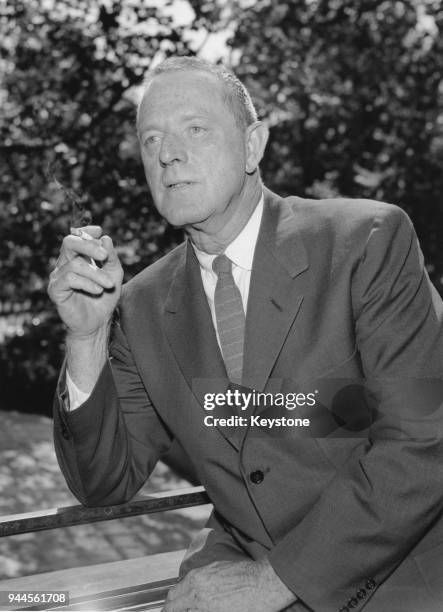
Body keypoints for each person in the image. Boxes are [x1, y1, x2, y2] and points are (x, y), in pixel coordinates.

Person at [48, 56, 443, 612]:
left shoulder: (366, 241)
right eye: (150, 139)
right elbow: (103, 485)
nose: (167, 154)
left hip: (404, 584)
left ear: (254, 144)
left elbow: (422, 440)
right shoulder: (139, 304)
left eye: (196, 129)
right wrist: (86, 340)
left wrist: (271, 584)